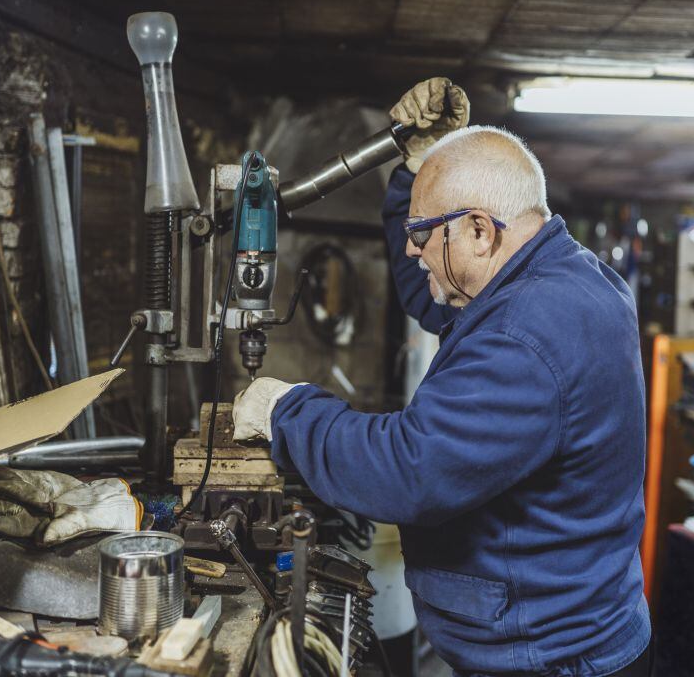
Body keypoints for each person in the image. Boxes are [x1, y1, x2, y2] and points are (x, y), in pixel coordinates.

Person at [233, 78, 651, 677]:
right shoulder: (566, 274)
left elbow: (410, 470)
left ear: (480, 230)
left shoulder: (526, 337)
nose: (410, 251)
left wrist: (287, 409)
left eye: (423, 234)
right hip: (573, 630)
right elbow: (436, 297)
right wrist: (416, 167)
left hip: (552, 659)